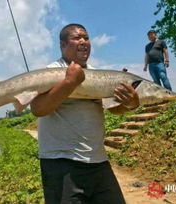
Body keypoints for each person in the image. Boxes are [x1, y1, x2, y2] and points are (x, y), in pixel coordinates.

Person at [30, 23, 139, 203]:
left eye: (86, 38)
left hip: (98, 161)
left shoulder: (97, 74)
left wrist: (130, 104)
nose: (83, 41)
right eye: (77, 37)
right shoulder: (51, 72)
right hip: (61, 163)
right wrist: (68, 82)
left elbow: (113, 109)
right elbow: (38, 109)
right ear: (63, 45)